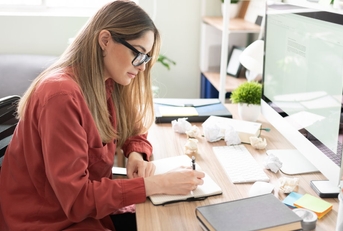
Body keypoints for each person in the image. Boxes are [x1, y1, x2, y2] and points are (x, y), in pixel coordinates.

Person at [0, 1, 205, 230]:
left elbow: (134, 124)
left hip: (83, 213)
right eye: (138, 53)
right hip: (48, 221)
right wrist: (155, 184)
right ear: (105, 40)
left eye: (146, 58)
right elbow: (77, 199)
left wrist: (136, 154)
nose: (142, 67)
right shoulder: (61, 96)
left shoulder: (108, 81)